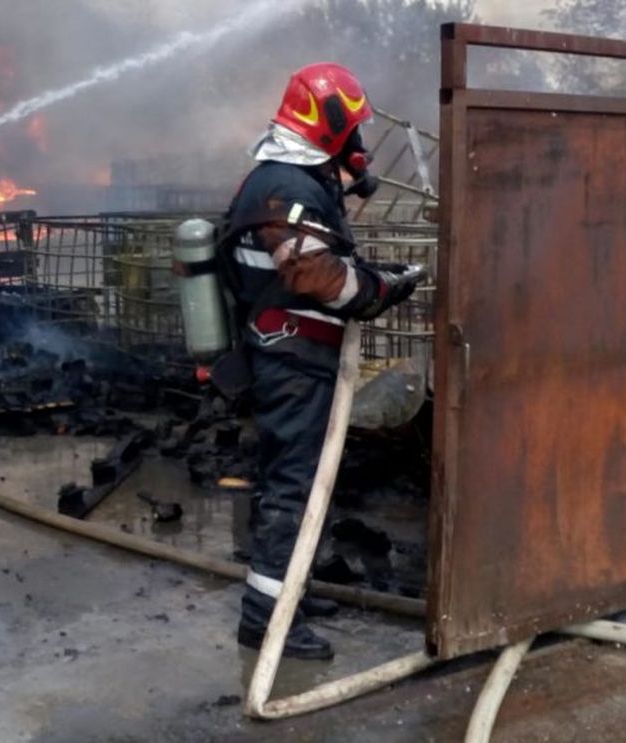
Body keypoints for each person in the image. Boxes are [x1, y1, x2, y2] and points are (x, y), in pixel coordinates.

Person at [222, 63, 422, 659]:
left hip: (293, 350)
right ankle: (266, 620)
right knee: (294, 484)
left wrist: (350, 176)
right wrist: (383, 288)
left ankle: (291, 592)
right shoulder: (283, 187)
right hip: (291, 358)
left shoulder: (293, 177)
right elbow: (319, 277)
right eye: (350, 128)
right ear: (326, 123)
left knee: (296, 481)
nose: (357, 141)